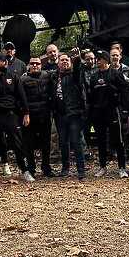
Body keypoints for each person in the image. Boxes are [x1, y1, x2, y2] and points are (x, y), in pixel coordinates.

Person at [0, 53, 32, 185]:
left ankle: (25, 170)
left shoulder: (13, 77)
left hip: (10, 114)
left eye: (5, 62)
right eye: (2, 61)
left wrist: (26, 113)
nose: (5, 64)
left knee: (17, 143)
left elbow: (22, 96)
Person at [87, 51, 129, 178]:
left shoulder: (116, 74)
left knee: (118, 140)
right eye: (97, 59)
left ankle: (122, 168)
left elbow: (124, 91)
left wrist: (124, 109)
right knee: (101, 140)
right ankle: (102, 167)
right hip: (99, 112)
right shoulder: (94, 76)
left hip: (113, 110)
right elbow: (91, 96)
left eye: (100, 59)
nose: (97, 61)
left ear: (106, 60)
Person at [51, 49, 88, 179]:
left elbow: (79, 69)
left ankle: (81, 170)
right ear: (58, 63)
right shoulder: (54, 76)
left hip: (74, 114)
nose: (65, 62)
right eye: (62, 60)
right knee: (63, 143)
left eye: (67, 60)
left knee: (76, 142)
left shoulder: (74, 75)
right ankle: (65, 168)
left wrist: (77, 59)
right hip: (60, 115)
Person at [21, 57, 55, 177]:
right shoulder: (23, 79)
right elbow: (21, 99)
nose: (35, 65)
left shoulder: (48, 76)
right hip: (30, 116)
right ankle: (31, 168)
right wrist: (25, 114)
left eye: (37, 63)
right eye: (32, 63)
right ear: (28, 65)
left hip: (45, 115)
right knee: (28, 144)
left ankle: (46, 167)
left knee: (46, 143)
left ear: (41, 65)